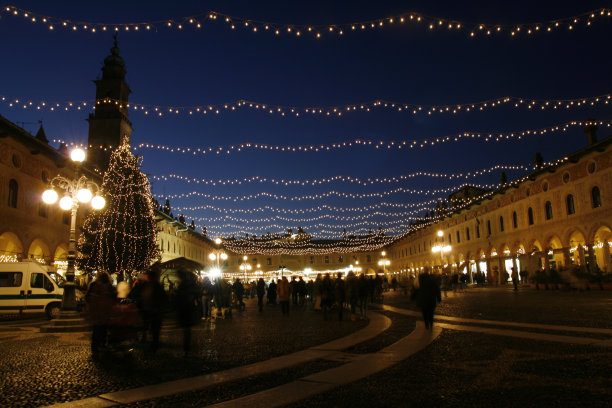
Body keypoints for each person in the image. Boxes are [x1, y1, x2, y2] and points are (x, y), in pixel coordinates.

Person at [129, 263, 167, 353]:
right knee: (145, 326)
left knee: (154, 329)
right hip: (146, 310)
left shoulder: (157, 287)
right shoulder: (146, 286)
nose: (147, 278)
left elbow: (162, 299)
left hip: (154, 311)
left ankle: (154, 345)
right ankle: (146, 339)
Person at [86, 271, 116, 358]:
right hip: (104, 313)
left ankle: (96, 349)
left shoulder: (94, 285)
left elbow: (88, 297)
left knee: (97, 331)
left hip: (98, 313)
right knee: (102, 331)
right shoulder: (108, 286)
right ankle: (101, 347)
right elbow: (114, 298)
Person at [175, 269, 200, 357]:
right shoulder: (190, 284)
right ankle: (187, 347)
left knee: (186, 329)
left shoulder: (183, 285)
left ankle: (187, 348)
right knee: (187, 329)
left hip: (185, 308)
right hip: (188, 308)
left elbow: (179, 297)